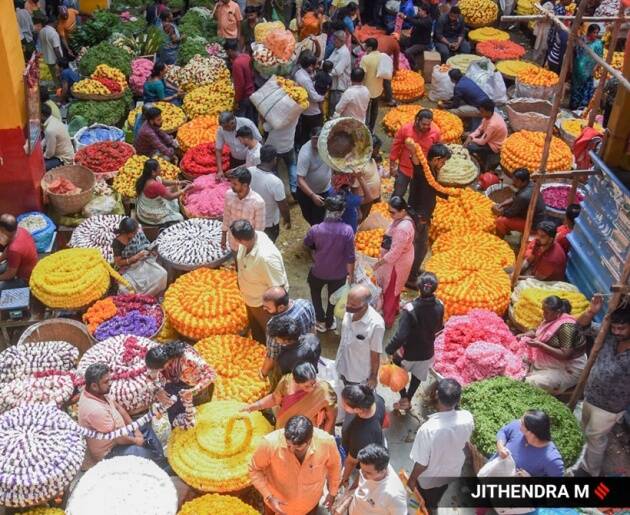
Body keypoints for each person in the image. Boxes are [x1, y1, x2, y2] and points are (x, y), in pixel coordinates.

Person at [77, 363, 168, 471]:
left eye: (109, 379)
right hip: (110, 450)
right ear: (94, 386)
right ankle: (159, 466)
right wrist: (136, 441)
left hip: (121, 433)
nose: (110, 383)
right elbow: (118, 438)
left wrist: (136, 429)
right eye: (106, 382)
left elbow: (119, 408)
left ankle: (160, 460)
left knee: (145, 428)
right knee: (143, 455)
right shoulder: (94, 410)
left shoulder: (99, 392)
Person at [575, 301, 630, 477]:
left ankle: (591, 470)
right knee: (584, 429)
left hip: (610, 407)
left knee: (595, 437)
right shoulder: (608, 335)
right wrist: (591, 312)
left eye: (622, 328)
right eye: (614, 327)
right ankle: (580, 457)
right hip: (590, 395)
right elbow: (581, 326)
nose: (617, 332)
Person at [249, 415, 341, 515]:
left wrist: (332, 492)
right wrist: (269, 496)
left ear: (309, 441)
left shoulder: (326, 442)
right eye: (288, 445)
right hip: (276, 506)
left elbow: (334, 467)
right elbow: (254, 469)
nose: (291, 450)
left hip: (310, 505)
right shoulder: (270, 443)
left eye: (298, 448)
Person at [407, 378, 474, 510]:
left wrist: (412, 478)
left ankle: (425, 509)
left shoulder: (428, 429)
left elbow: (422, 463)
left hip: (429, 477)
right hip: (452, 470)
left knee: (422, 500)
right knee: (437, 494)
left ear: (437, 395)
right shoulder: (467, 417)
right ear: (458, 399)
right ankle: (432, 506)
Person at [386, 272, 443, 411]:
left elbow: (400, 336)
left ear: (418, 287)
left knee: (399, 376)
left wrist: (389, 350)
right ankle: (409, 399)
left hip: (408, 353)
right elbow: (439, 328)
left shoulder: (410, 309)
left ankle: (403, 398)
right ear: (435, 288)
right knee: (417, 376)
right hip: (427, 352)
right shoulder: (440, 305)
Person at [304, 196, 356, 332]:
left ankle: (320, 320)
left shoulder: (315, 229)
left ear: (326, 210)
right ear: (342, 211)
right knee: (334, 297)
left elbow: (307, 243)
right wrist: (351, 275)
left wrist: (316, 250)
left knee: (315, 294)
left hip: (318, 271)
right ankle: (329, 321)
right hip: (338, 273)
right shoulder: (347, 231)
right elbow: (351, 257)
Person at [232, 219, 289, 343]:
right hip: (250, 300)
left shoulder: (265, 258)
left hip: (263, 305)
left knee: (270, 335)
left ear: (239, 240)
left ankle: (272, 357)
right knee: (257, 331)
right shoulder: (250, 240)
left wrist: (271, 311)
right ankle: (259, 348)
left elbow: (279, 288)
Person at [405, 142, 451, 287]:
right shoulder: (423, 171)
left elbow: (434, 188)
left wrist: (449, 194)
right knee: (419, 248)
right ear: (436, 159)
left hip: (425, 215)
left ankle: (413, 270)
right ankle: (410, 278)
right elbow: (415, 159)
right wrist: (414, 149)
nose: (443, 164)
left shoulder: (433, 171)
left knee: (420, 247)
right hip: (419, 216)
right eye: (443, 161)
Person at [244, 362, 337, 432]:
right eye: (306, 386)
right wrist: (253, 407)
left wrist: (324, 437)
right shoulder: (286, 383)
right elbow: (274, 399)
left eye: (313, 383)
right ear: (296, 381)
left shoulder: (324, 390)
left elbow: (331, 417)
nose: (312, 388)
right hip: (284, 426)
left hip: (308, 433)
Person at [521, 295, 586, 394]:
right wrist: (526, 334)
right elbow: (539, 331)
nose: (543, 314)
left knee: (530, 383)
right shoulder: (551, 318)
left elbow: (565, 354)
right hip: (552, 362)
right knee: (520, 358)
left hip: (568, 369)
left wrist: (540, 345)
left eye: (546, 312)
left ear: (557, 312)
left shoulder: (567, 327)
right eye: (543, 310)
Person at [145, 341, 215, 428]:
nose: (157, 371)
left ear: (166, 363)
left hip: (197, 387)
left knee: (196, 416)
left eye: (159, 369)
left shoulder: (189, 359)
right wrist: (157, 391)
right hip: (178, 382)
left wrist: (193, 391)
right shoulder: (159, 355)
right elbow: (149, 375)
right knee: (175, 414)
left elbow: (211, 374)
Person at [374, 196, 416, 327]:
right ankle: (395, 309)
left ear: (403, 211)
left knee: (390, 291)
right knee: (395, 289)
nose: (390, 214)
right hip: (401, 259)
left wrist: (379, 263)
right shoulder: (402, 219)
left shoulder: (402, 228)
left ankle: (387, 320)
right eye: (389, 211)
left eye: (392, 212)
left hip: (396, 265)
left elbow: (394, 253)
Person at [334, 444, 408, 515]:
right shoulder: (370, 467)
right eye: (361, 469)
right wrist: (342, 507)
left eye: (368, 473)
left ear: (383, 471)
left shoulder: (394, 495)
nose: (362, 474)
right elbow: (358, 488)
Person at [261, 286, 316, 378]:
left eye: (267, 307)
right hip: (307, 350)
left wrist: (263, 373)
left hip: (289, 361)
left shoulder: (275, 326)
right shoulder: (305, 304)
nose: (264, 309)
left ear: (281, 307)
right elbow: (313, 329)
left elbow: (272, 356)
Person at [336, 285, 384, 388]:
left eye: (352, 304)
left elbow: (375, 354)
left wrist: (373, 376)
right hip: (341, 364)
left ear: (365, 305)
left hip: (356, 375)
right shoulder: (349, 311)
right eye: (348, 302)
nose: (348, 306)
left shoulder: (376, 325)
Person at [340, 384, 386, 487]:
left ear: (357, 410)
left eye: (344, 404)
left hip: (357, 454)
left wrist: (345, 478)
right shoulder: (376, 399)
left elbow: (351, 461)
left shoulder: (361, 435)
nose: (342, 405)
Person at [389, 109, 441, 199]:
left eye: (428, 124)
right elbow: (396, 146)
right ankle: (393, 209)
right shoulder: (405, 129)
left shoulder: (435, 132)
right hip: (405, 168)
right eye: (424, 124)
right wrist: (392, 165)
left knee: (416, 196)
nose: (426, 127)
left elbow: (437, 150)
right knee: (398, 192)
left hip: (423, 170)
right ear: (417, 120)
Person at [495, 410, 564, 477]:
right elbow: (503, 431)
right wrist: (500, 446)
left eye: (522, 423)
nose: (518, 423)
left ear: (532, 432)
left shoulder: (552, 459)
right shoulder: (517, 426)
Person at [112, 217, 168, 295]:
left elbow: (145, 244)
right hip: (128, 269)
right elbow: (119, 263)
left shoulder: (137, 232)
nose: (136, 234)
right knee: (125, 290)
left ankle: (148, 295)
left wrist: (150, 251)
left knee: (162, 274)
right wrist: (134, 258)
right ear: (126, 233)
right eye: (134, 233)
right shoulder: (117, 243)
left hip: (142, 262)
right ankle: (139, 299)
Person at [249, 145, 291, 242]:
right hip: (268, 223)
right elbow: (283, 206)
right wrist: (287, 220)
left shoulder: (250, 171)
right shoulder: (275, 182)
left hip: (252, 218)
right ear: (274, 159)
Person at [221, 167, 265, 253]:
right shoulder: (229, 195)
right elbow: (226, 216)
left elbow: (259, 229)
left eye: (235, 184)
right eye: (231, 183)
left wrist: (253, 249)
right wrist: (223, 236)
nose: (231, 186)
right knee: (236, 262)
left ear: (245, 185)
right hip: (233, 241)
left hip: (248, 246)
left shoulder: (258, 202)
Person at [493, 168, 546, 238]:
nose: (513, 183)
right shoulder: (530, 184)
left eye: (515, 181)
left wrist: (500, 212)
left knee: (500, 221)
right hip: (536, 216)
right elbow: (514, 198)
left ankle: (499, 239)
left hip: (534, 225)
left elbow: (510, 213)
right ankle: (506, 230)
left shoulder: (524, 196)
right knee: (505, 208)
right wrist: (501, 204)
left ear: (522, 181)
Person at [296, 127, 333, 226]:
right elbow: (300, 179)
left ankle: (317, 236)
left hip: (324, 190)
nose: (315, 142)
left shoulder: (328, 146)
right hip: (307, 193)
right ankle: (315, 234)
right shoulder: (305, 153)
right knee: (309, 217)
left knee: (319, 218)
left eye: (318, 139)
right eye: (314, 138)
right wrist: (312, 195)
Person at [135, 159, 188, 226]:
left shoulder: (147, 178)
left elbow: (163, 181)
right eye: (159, 168)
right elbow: (170, 197)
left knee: (173, 190)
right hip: (149, 214)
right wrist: (185, 190)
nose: (160, 169)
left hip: (146, 205)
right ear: (153, 172)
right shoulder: (154, 185)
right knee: (180, 217)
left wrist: (179, 182)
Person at [464, 99, 508, 172]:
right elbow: (480, 128)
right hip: (490, 137)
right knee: (470, 136)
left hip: (495, 145)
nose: (480, 113)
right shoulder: (489, 116)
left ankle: (483, 165)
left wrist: (471, 140)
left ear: (489, 111)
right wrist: (471, 136)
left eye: (482, 111)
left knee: (470, 147)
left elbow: (482, 142)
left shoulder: (492, 124)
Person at [263, 111, 300, 197]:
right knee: (292, 165)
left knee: (274, 169)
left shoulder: (275, 118)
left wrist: (262, 119)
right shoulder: (295, 116)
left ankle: (279, 190)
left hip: (274, 148)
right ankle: (294, 188)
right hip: (288, 146)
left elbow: (265, 128)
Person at [215, 111, 263, 177]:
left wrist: (256, 154)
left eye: (226, 127)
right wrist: (220, 170)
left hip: (250, 159)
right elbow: (218, 149)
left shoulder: (247, 123)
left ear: (232, 123)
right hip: (235, 160)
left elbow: (259, 140)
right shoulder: (221, 129)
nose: (224, 129)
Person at [295, 51, 325, 148]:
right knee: (315, 132)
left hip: (304, 110)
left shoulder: (298, 73)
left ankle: (301, 147)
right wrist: (323, 97)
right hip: (313, 112)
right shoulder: (305, 80)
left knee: (304, 131)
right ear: (310, 66)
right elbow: (314, 97)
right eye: (314, 65)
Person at [571, 24, 604, 110]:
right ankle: (573, 106)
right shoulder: (581, 40)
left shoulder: (598, 44)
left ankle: (581, 109)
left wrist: (595, 68)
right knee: (575, 88)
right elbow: (573, 52)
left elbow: (600, 58)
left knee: (586, 91)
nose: (596, 34)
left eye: (597, 33)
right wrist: (570, 65)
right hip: (577, 70)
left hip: (589, 72)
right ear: (589, 32)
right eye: (594, 32)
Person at [0, 214, 37, 286]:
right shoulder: (21, 230)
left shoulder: (14, 250)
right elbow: (7, 249)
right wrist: (0, 259)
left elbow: (10, 275)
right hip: (21, 264)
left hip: (25, 278)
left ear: (3, 230)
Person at [225, 40, 256, 123]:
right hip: (252, 92)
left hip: (245, 96)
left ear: (230, 51)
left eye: (227, 52)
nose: (227, 55)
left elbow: (240, 85)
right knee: (251, 118)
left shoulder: (237, 64)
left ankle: (245, 134)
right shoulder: (246, 56)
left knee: (241, 120)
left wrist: (236, 101)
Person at [360, 38, 385, 131]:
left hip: (367, 89)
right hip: (378, 88)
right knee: (375, 108)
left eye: (365, 45)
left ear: (369, 48)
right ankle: (372, 128)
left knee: (365, 109)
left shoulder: (365, 59)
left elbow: (362, 74)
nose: (364, 46)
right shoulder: (382, 56)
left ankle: (365, 128)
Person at [41, 103, 74, 170]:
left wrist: (40, 157)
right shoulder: (53, 120)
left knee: (40, 167)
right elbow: (46, 139)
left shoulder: (50, 130)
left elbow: (49, 153)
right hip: (67, 152)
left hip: (63, 159)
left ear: (41, 115)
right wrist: (40, 146)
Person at [400, 4, 433, 72]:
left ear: (424, 12)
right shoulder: (419, 16)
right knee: (399, 39)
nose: (418, 12)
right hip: (413, 39)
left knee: (408, 52)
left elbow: (417, 23)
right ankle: (403, 59)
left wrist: (405, 17)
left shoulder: (428, 21)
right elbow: (412, 18)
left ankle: (414, 66)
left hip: (422, 44)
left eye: (419, 10)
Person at [328, 30, 352, 117]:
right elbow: (329, 61)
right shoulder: (336, 49)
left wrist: (326, 73)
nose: (333, 41)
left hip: (339, 87)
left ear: (340, 40)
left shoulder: (344, 53)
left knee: (334, 110)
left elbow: (338, 71)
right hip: (334, 85)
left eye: (335, 39)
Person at [34, 16, 63, 82]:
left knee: (54, 77)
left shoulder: (42, 31)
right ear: (55, 22)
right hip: (55, 61)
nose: (58, 24)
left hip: (47, 59)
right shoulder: (53, 33)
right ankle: (60, 90)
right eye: (58, 23)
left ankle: (57, 88)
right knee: (59, 78)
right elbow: (56, 49)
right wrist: (61, 61)